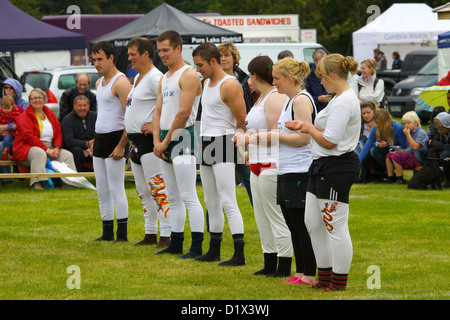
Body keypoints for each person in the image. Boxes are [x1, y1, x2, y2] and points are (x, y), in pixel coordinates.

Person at [285, 54, 361, 292]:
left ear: (332, 76)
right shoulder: (339, 98)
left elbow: (330, 141)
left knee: (334, 225)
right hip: (322, 166)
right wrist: (305, 126)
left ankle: (338, 281)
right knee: (313, 223)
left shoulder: (345, 101)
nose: (321, 83)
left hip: (336, 166)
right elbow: (325, 133)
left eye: (321, 78)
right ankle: (325, 276)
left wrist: (308, 127)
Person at [234, 56, 293, 277]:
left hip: (271, 164)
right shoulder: (260, 98)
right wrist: (246, 143)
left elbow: (278, 135)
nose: (249, 80)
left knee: (275, 216)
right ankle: (269, 262)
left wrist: (249, 140)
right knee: (261, 217)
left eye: (249, 75)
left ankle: (284, 265)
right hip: (257, 164)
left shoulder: (273, 98)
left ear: (254, 76)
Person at [192, 42, 246, 266]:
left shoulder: (230, 84)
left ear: (213, 61)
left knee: (227, 199)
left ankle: (239, 254)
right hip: (205, 142)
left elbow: (242, 120)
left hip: (223, 142)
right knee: (211, 199)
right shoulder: (206, 82)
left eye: (200, 65)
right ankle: (214, 250)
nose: (198, 69)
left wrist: (240, 146)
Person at [152, 30, 204, 259]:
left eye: (166, 50)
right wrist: (156, 141)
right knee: (172, 196)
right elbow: (158, 111)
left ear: (178, 48)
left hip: (182, 136)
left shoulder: (189, 74)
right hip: (165, 138)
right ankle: (176, 242)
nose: (162, 54)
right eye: (159, 50)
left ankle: (196, 246)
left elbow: (183, 114)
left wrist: (163, 142)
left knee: (188, 195)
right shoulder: (164, 77)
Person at [271, 57, 318, 285]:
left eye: (277, 79)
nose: (274, 83)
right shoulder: (289, 101)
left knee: (301, 225)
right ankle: (300, 272)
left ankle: (309, 273)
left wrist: (273, 137)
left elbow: (304, 138)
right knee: (292, 224)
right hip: (287, 169)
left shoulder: (300, 100)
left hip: (300, 170)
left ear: (290, 79)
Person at [125, 37, 171, 248]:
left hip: (148, 141)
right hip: (134, 142)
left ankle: (167, 234)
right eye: (129, 54)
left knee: (157, 187)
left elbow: (168, 106)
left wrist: (155, 127)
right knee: (143, 190)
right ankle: (150, 232)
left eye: (133, 54)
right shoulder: (136, 79)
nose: (129, 58)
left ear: (145, 54)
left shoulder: (156, 78)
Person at [91, 41, 132, 242]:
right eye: (94, 59)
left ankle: (122, 235)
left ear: (111, 58)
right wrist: (94, 139)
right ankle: (107, 232)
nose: (96, 63)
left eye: (100, 59)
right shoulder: (99, 83)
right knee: (102, 188)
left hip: (115, 138)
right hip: (100, 138)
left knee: (116, 187)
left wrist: (122, 145)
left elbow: (130, 117)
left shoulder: (121, 82)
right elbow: (103, 113)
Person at [12, 88, 76, 190]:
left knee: (67, 155)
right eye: (34, 98)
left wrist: (57, 147)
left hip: (50, 147)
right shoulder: (24, 116)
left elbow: (59, 132)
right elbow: (29, 137)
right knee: (39, 153)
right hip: (27, 148)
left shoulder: (49, 113)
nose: (37, 100)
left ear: (44, 99)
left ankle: (69, 184)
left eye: (40, 98)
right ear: (29, 100)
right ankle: (37, 184)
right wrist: (47, 150)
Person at [217, 42, 253, 205]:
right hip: (218, 138)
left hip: (241, 135)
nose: (223, 59)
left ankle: (263, 220)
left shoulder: (244, 80)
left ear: (234, 58)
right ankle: (213, 229)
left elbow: (249, 109)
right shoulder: (209, 80)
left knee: (250, 178)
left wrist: (248, 134)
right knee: (218, 187)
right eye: (221, 56)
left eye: (227, 55)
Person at [359, 109, 407, 181]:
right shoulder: (376, 128)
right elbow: (368, 144)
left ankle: (390, 174)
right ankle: (379, 174)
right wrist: (358, 161)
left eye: (379, 123)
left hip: (398, 153)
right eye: (376, 123)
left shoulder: (398, 128)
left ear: (386, 121)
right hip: (386, 152)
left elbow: (404, 147)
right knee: (371, 150)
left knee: (374, 151)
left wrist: (388, 145)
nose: (377, 125)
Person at [385, 111, 429, 184]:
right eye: (404, 123)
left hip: (419, 156)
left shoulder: (421, 133)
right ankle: (391, 177)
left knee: (396, 156)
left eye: (408, 123)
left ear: (416, 122)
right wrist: (400, 150)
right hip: (411, 154)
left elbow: (415, 147)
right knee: (389, 155)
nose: (406, 125)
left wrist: (408, 135)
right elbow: (409, 149)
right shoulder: (410, 132)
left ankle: (400, 178)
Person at [61, 95, 96, 172]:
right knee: (77, 151)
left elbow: (101, 133)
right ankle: (78, 177)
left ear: (89, 106)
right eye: (79, 105)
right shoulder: (67, 119)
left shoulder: (95, 116)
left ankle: (104, 178)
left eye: (84, 105)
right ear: (74, 107)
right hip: (75, 148)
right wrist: (86, 144)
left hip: (93, 146)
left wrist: (92, 146)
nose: (82, 108)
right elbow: (68, 141)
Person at [305, 49, 332, 113]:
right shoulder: (308, 77)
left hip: (329, 110)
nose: (324, 63)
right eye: (321, 60)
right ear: (315, 61)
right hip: (315, 112)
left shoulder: (330, 73)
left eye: (325, 60)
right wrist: (318, 99)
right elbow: (305, 97)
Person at [429, 112, 450, 187]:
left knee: (445, 158)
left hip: (446, 156)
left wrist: (440, 146)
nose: (439, 131)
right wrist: (444, 146)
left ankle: (447, 180)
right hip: (442, 155)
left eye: (441, 129)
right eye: (437, 129)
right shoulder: (440, 134)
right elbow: (432, 142)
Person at [1, 95, 23, 160]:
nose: (6, 110)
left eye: (8, 108)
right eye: (4, 108)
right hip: (2, 132)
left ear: (12, 106)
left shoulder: (16, 112)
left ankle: (6, 150)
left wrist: (14, 125)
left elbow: (19, 122)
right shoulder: (1, 112)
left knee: (7, 139)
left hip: (11, 133)